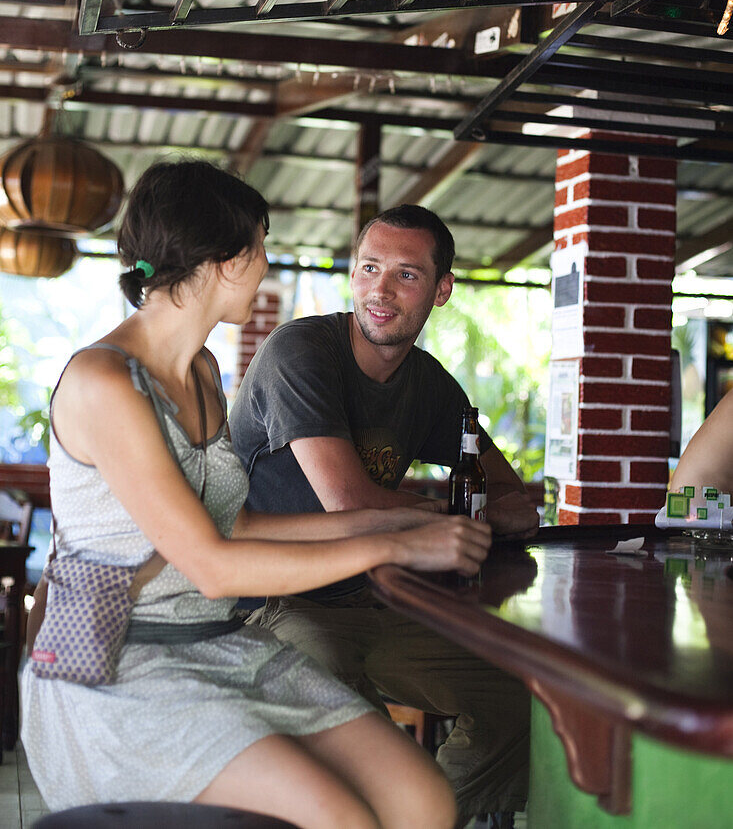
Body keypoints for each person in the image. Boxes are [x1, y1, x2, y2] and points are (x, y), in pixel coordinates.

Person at [21, 162, 494, 829]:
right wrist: (392, 543)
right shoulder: (105, 382)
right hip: (116, 660)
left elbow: (237, 522)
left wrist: (399, 524)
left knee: (423, 801)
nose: (267, 265)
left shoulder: (203, 369)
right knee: (341, 818)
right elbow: (213, 564)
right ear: (225, 259)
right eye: (262, 246)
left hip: (214, 641)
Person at [229, 204, 539, 826]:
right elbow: (348, 502)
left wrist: (476, 517)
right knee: (373, 756)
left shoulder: (429, 386)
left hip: (375, 601)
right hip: (269, 605)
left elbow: (515, 502)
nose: (381, 289)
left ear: (441, 290)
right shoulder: (301, 352)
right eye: (369, 268)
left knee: (519, 703)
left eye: (406, 274)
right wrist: (450, 516)